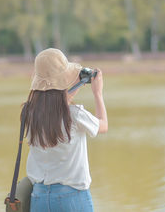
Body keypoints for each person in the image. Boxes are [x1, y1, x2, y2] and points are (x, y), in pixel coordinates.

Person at [23, 48, 108, 212]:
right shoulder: (75, 115)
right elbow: (103, 125)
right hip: (71, 199)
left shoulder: (29, 113)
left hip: (39, 198)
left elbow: (53, 102)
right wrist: (97, 92)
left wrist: (71, 87)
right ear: (65, 82)